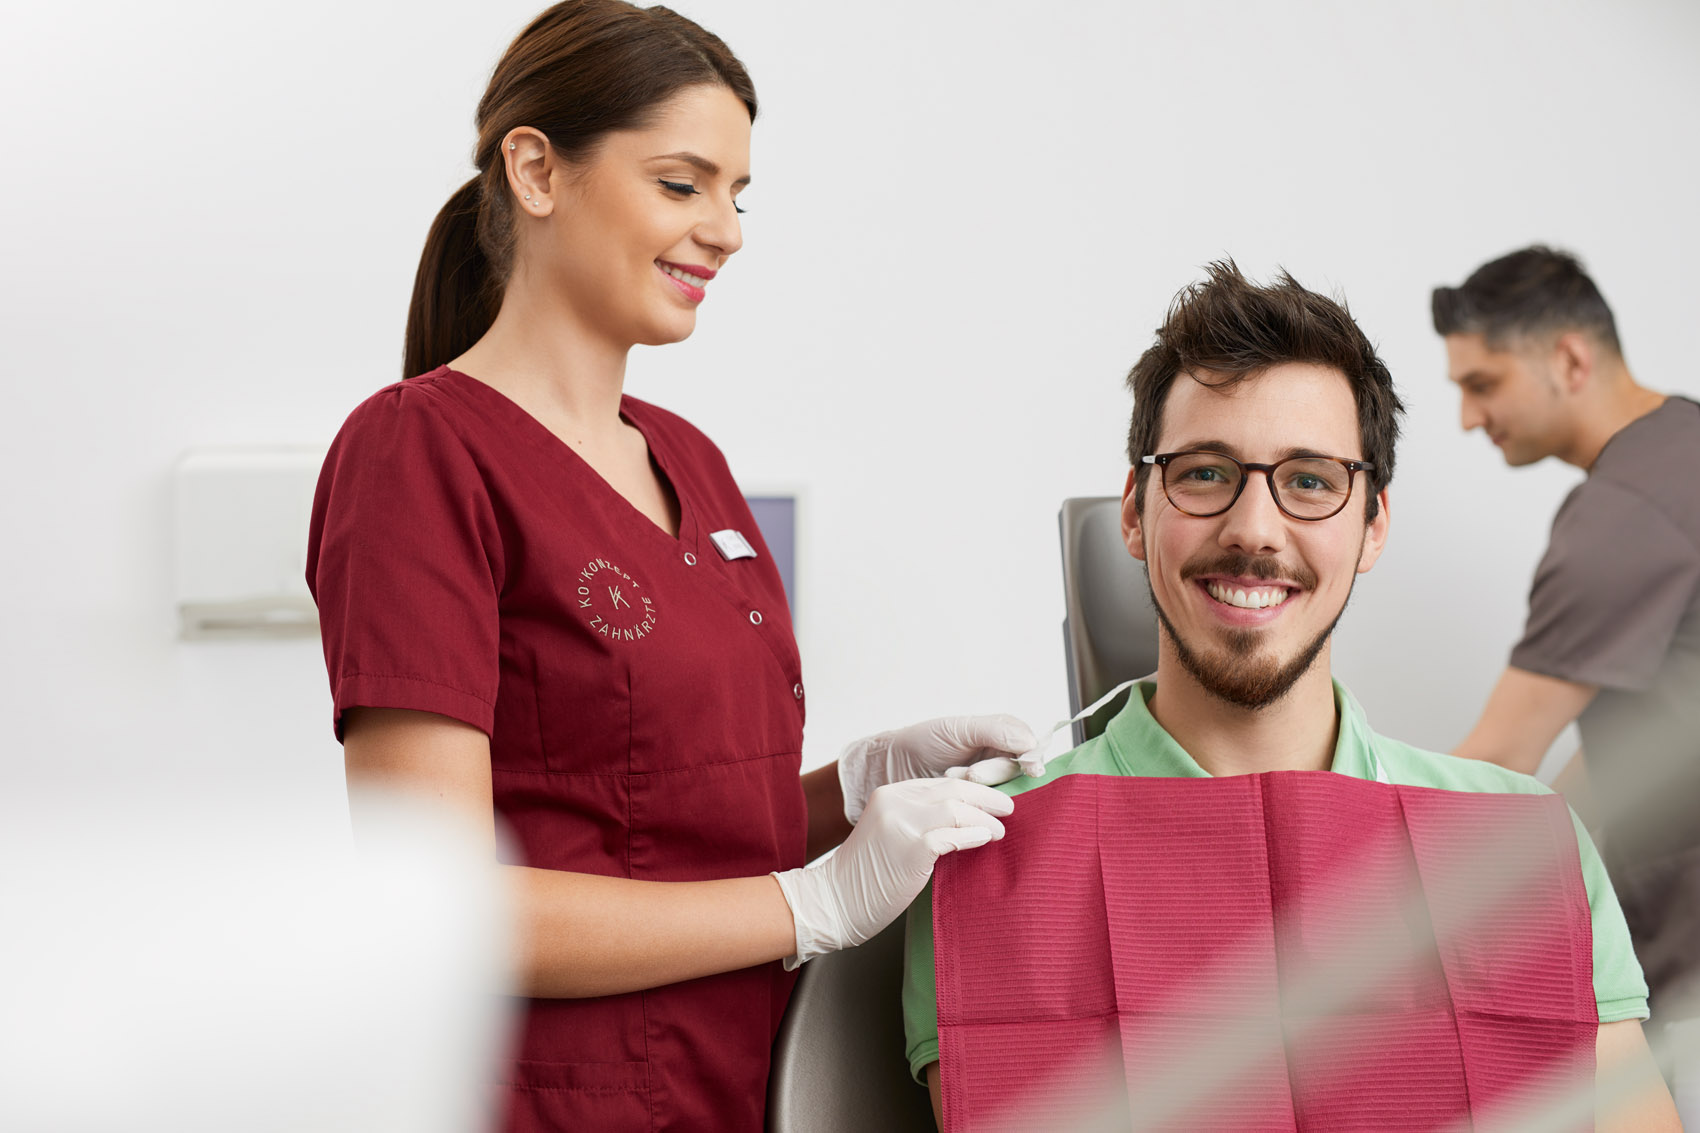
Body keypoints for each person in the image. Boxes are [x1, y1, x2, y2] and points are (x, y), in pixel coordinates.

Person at [305, 4, 1033, 1130]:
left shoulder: (688, 459)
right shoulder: (418, 450)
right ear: (537, 169)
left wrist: (844, 797)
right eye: (683, 184)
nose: (728, 231)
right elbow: (440, 909)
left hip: (741, 1086)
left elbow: (656, 829)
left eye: (738, 195)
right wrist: (808, 904)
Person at [900, 263, 1680, 1129]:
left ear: (1373, 524)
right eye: (1203, 473)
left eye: (1310, 480)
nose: (1254, 529)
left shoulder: (1525, 845)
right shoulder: (989, 853)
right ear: (1133, 511)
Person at [1434, 246, 1700, 1039]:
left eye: (1483, 384)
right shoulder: (1685, 444)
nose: (1468, 417)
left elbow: (1502, 753)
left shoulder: (1623, 511)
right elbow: (1642, 722)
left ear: (1570, 358)